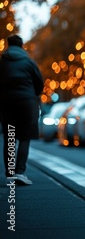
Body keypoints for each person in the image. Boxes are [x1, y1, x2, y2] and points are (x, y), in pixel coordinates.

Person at [0, 35, 43, 185]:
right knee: (25, 137)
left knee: (10, 137)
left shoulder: (2, 62)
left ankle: (10, 173)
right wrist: (33, 95)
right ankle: (20, 172)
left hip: (7, 103)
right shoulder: (28, 62)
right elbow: (39, 83)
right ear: (21, 45)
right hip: (26, 102)